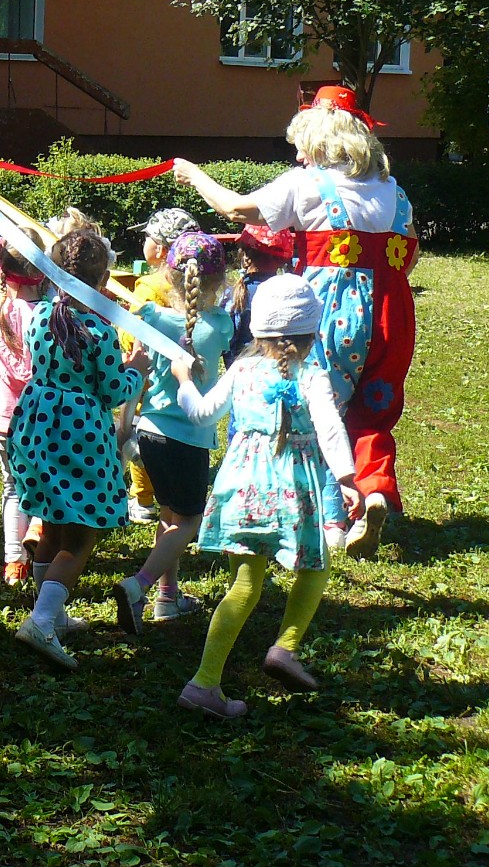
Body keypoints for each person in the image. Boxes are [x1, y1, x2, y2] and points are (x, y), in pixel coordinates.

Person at [174, 84, 418, 557]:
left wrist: (195, 175)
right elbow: (410, 250)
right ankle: (373, 492)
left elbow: (233, 208)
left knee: (320, 405)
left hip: (329, 310)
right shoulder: (393, 189)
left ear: (316, 139)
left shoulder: (304, 184)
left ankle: (329, 516)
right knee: (375, 406)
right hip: (392, 309)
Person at [169, 274, 360, 717]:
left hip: (242, 492)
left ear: (257, 329)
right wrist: (348, 478)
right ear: (312, 333)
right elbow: (331, 428)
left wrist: (183, 379)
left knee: (245, 585)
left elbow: (200, 415)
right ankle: (285, 648)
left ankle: (204, 683)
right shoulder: (313, 375)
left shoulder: (241, 368)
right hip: (293, 496)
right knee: (314, 568)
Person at [8, 231, 152, 671]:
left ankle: (54, 614)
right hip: (79, 432)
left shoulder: (41, 316)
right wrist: (137, 372)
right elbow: (110, 391)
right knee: (82, 532)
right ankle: (42, 620)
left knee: (52, 517)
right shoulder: (100, 331)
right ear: (104, 277)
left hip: (38, 419)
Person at [112, 231, 233, 634]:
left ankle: (168, 597)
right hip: (188, 440)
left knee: (169, 517)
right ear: (219, 281)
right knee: (190, 521)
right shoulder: (220, 325)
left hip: (149, 434)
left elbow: (140, 325)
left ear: (168, 273)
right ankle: (139, 585)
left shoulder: (150, 316)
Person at [0, 239, 47, 586]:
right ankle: (42, 541)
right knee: (47, 481)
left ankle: (13, 562)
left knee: (12, 488)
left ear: (2, 271)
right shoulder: (51, 316)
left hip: (5, 417)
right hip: (46, 416)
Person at [118, 207, 199, 524]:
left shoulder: (149, 286)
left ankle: (142, 500)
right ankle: (174, 494)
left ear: (163, 248)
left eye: (147, 237)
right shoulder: (195, 283)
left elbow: (131, 332)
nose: (144, 242)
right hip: (182, 372)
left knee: (140, 433)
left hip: (149, 373)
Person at [227, 223, 295, 362]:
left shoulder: (235, 293)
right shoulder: (289, 292)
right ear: (283, 259)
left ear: (245, 253)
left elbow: (228, 342)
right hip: (278, 366)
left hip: (240, 368)